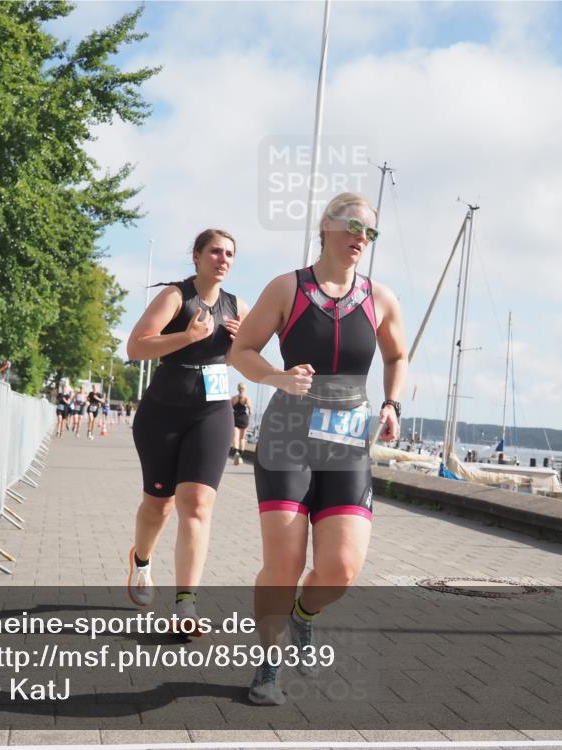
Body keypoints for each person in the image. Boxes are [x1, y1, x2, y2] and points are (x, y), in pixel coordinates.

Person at [230, 193, 407, 705]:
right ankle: (268, 663)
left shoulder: (381, 298)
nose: (361, 238)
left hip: (348, 439)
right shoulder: (288, 287)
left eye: (370, 233)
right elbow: (241, 350)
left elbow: (398, 354)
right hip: (289, 431)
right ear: (325, 226)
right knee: (283, 561)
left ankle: (303, 617)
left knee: (341, 569)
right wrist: (276, 376)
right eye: (353, 225)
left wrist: (392, 404)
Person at [126, 229, 249, 632]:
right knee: (158, 506)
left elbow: (238, 361)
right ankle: (141, 562)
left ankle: (185, 605)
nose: (223, 258)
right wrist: (187, 336)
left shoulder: (237, 307)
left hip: (212, 413)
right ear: (196, 257)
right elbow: (136, 347)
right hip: (162, 412)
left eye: (230, 253)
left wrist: (237, 346)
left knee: (196, 505)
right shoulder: (176, 297)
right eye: (215, 251)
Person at [230, 383, 252, 465]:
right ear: (244, 389)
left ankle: (236, 453)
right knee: (242, 439)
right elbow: (250, 409)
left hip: (235, 418)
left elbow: (229, 409)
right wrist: (249, 412)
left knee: (235, 438)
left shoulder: (233, 398)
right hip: (244, 418)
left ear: (237, 389)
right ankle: (240, 455)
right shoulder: (246, 398)